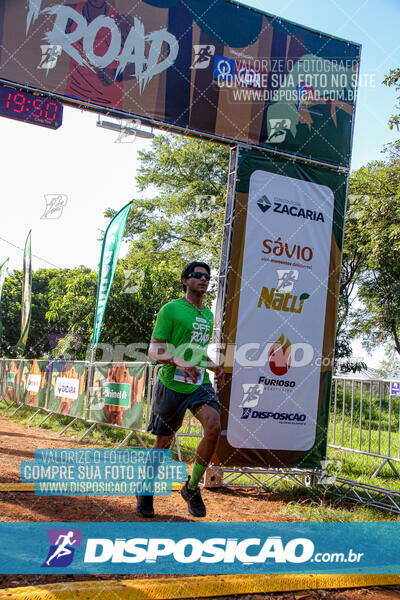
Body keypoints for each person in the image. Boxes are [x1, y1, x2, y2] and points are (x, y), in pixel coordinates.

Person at [136, 261, 224, 518]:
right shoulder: (171, 309)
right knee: (163, 442)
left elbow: (197, 351)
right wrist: (177, 360)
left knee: (214, 426)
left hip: (198, 383)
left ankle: (192, 487)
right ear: (185, 280)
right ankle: (146, 488)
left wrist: (212, 364)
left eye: (207, 276)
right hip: (171, 383)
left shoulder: (207, 316)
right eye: (197, 275)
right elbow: (154, 350)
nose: (203, 279)